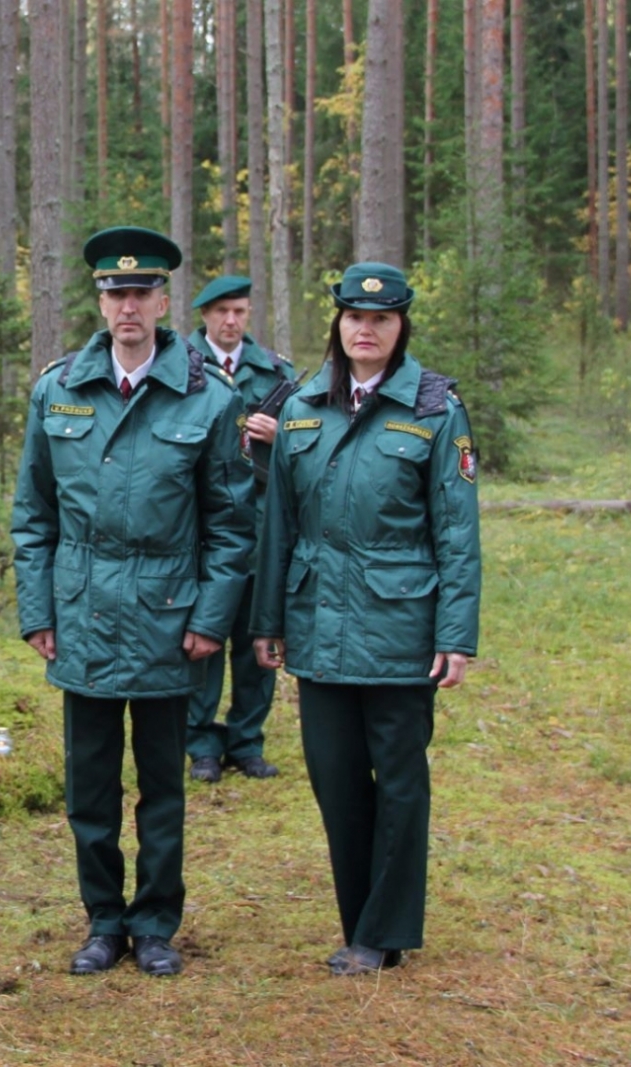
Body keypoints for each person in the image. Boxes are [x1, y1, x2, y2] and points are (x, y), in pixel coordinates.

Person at [11, 228, 256, 978]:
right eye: (115, 293)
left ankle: (154, 922)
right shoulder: (59, 389)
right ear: (99, 300)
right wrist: (39, 610)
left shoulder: (208, 397)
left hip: (167, 617)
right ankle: (102, 920)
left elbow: (231, 521)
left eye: (141, 293)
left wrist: (213, 617)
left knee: (161, 786)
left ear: (162, 300)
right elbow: (33, 515)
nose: (128, 307)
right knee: (90, 788)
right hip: (82, 611)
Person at [250, 262, 481, 976]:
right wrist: (268, 621)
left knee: (401, 781)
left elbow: (457, 531)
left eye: (381, 319)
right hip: (318, 622)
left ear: (401, 326)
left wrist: (456, 633)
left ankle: (383, 932)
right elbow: (278, 524)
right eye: (355, 317)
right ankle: (361, 923)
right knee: (336, 778)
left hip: (400, 623)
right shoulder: (302, 406)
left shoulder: (436, 409)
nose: (366, 329)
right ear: (338, 324)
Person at [183, 275, 296, 783]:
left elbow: (311, 452)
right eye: (222, 311)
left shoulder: (275, 373)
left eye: (241, 312)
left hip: (260, 532)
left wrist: (282, 435)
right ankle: (202, 743)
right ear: (204, 313)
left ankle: (247, 741)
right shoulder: (178, 367)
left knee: (258, 645)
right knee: (202, 642)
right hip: (201, 533)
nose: (232, 321)